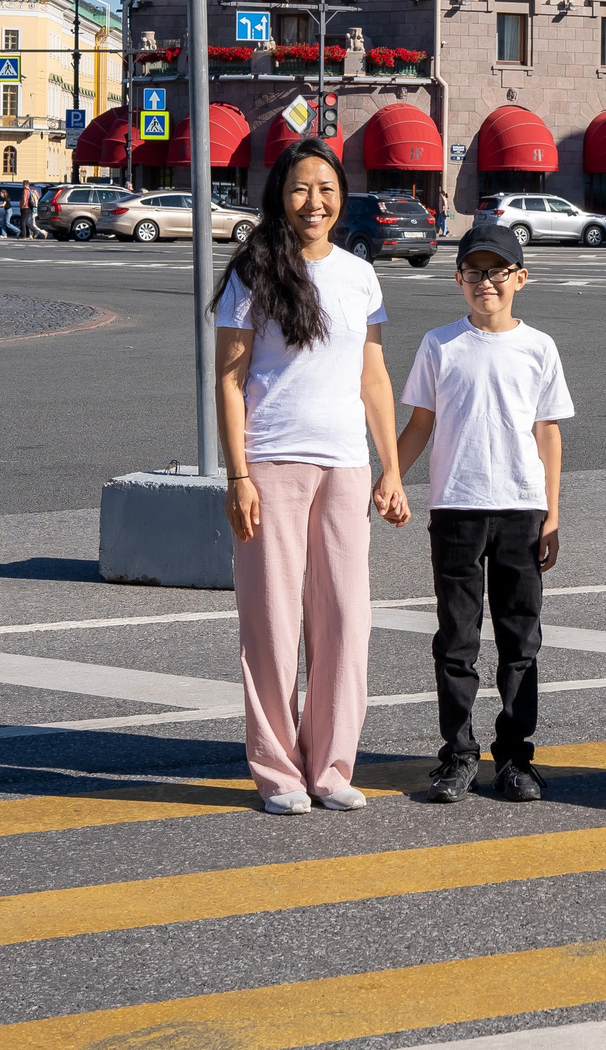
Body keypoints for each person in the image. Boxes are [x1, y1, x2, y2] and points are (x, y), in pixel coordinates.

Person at [213, 138, 410, 814]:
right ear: (280, 194)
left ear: (341, 195)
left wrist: (391, 467)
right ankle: (278, 772)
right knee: (271, 622)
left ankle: (330, 765)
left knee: (346, 620)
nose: (314, 201)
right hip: (271, 462)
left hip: (346, 466)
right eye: (301, 188)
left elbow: (374, 378)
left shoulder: (360, 275)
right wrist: (238, 473)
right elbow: (231, 378)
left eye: (326, 188)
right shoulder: (254, 268)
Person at [396, 222, 574, 805]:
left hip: (522, 509)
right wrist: (389, 475)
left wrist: (552, 514)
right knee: (457, 640)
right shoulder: (439, 344)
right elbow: (420, 423)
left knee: (520, 641)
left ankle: (517, 758)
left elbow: (547, 436)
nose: (486, 282)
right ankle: (458, 755)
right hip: (456, 509)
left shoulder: (539, 346)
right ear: (458, 279)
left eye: (499, 271)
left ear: (521, 278)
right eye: (475, 272)